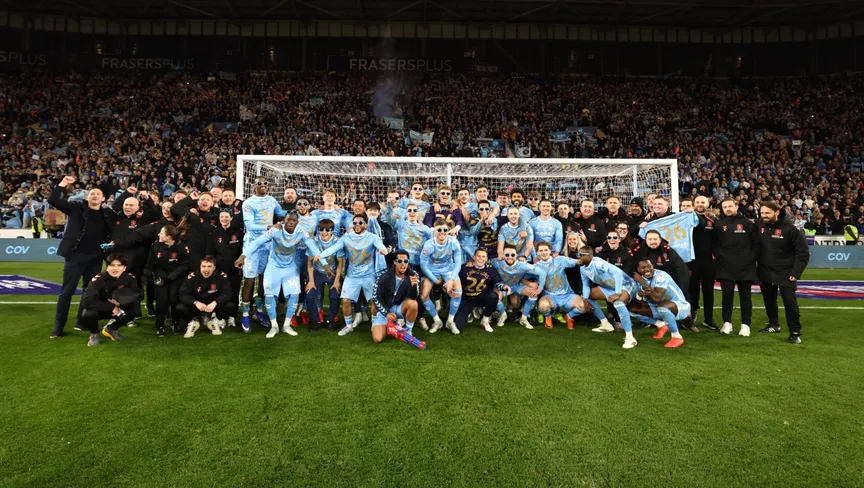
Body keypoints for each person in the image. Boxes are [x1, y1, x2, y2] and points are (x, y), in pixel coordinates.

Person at [48, 175, 111, 339]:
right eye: (92, 193)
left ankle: (81, 322)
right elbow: (53, 200)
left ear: (103, 199)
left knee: (88, 292)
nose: (95, 195)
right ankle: (58, 327)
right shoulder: (76, 208)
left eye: (98, 194)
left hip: (96, 258)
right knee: (66, 292)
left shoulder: (106, 214)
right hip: (75, 256)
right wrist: (63, 184)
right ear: (87, 197)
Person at [240, 213, 321, 338]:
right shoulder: (275, 230)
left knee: (294, 294)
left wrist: (324, 262)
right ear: (284, 220)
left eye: (294, 220)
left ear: (297, 222)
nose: (291, 222)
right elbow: (256, 242)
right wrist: (244, 255)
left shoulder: (301, 232)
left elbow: (313, 247)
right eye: (289, 220)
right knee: (269, 295)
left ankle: (286, 325)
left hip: (290, 267)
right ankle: (274, 326)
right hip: (273, 267)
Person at [316, 213, 389, 336]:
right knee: (345, 300)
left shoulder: (372, 237)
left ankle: (374, 324)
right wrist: (321, 255)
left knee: (374, 301)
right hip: (352, 276)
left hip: (369, 276)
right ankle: (349, 325)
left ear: (365, 225)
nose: (357, 225)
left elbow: (381, 246)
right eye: (355, 223)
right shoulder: (346, 237)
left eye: (360, 223)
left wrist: (384, 250)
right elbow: (334, 248)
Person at [756, 201, 810, 344]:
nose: (764, 216)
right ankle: (774, 325)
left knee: (790, 302)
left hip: (786, 272)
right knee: (769, 300)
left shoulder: (791, 229)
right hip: (765, 271)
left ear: (777, 212)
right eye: (762, 213)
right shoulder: (759, 225)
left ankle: (795, 332)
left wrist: (796, 272)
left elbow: (803, 252)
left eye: (767, 213)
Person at [240, 176, 287, 331]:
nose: (263, 185)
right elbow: (250, 226)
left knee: (264, 279)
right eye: (259, 183)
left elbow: (282, 213)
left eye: (265, 183)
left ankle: (258, 311)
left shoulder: (272, 200)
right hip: (253, 244)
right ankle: (245, 314)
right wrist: (270, 227)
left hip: (268, 244)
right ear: (253, 186)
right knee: (249, 279)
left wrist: (297, 211)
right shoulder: (248, 203)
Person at [712, 197, 760, 336]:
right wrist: (720, 258)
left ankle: (745, 325)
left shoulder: (748, 223)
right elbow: (714, 244)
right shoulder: (719, 224)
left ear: (736, 206)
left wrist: (749, 259)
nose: (727, 209)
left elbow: (756, 244)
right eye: (725, 207)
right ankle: (727, 323)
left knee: (745, 297)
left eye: (730, 206)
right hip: (725, 266)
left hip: (745, 267)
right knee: (727, 296)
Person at [576, 247, 639, 348]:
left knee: (618, 303)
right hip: (609, 287)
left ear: (590, 256)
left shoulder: (597, 262)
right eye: (578, 255)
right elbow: (586, 285)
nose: (579, 257)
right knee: (588, 296)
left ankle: (630, 338)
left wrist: (617, 293)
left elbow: (617, 272)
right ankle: (605, 324)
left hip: (626, 285)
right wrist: (585, 299)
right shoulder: (582, 269)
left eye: (581, 255)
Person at [79, 255, 143, 346]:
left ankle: (112, 328)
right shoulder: (98, 279)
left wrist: (121, 303)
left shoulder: (129, 278)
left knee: (135, 310)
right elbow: (86, 301)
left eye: (119, 265)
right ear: (107, 267)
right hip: (101, 309)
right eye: (112, 265)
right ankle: (94, 334)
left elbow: (139, 294)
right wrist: (112, 307)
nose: (115, 268)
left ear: (124, 268)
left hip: (119, 308)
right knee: (88, 314)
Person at [419, 218, 463, 334]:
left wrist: (451, 279)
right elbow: (423, 266)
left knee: (458, 292)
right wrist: (435, 280)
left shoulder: (453, 242)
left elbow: (458, 262)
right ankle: (437, 320)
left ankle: (450, 321)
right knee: (424, 295)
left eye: (445, 230)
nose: (442, 232)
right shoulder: (428, 245)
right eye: (439, 230)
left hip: (448, 269)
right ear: (434, 231)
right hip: (432, 270)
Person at [630, 259, 687, 348]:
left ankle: (677, 337)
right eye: (643, 268)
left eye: (649, 266)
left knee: (662, 307)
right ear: (638, 270)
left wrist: (643, 283)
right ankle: (661, 325)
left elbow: (657, 298)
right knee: (631, 310)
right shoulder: (639, 281)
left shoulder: (661, 276)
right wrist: (639, 295)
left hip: (680, 306)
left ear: (653, 266)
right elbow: (640, 304)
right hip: (658, 307)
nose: (647, 269)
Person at [145, 225, 190, 336]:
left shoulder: (182, 247)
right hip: (161, 278)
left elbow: (185, 264)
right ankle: (159, 325)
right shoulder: (155, 246)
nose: (159, 235)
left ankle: (175, 323)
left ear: (168, 237)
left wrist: (174, 275)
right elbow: (151, 264)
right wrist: (156, 277)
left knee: (174, 300)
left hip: (176, 278)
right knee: (161, 302)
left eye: (161, 233)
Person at [535, 241, 591, 329]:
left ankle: (569, 316)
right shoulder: (535, 267)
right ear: (537, 253)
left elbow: (578, 262)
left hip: (567, 295)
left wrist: (587, 257)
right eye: (541, 250)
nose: (543, 252)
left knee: (584, 306)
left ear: (550, 251)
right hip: (550, 297)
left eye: (546, 250)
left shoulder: (560, 260)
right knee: (542, 306)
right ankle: (548, 317)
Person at [177, 256, 234, 338]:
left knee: (230, 305)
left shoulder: (221, 276)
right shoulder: (192, 276)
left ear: (214, 268)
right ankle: (193, 323)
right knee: (180, 308)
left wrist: (215, 302)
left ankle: (214, 321)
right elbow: (182, 294)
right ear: (200, 267)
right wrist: (195, 302)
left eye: (209, 266)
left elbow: (228, 293)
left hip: (213, 305)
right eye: (203, 266)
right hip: (197, 305)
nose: (206, 269)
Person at [370, 249, 421, 342]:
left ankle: (408, 331)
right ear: (394, 262)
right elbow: (377, 297)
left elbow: (414, 297)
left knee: (413, 304)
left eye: (406, 261)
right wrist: (387, 313)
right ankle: (393, 326)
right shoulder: (383, 275)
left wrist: (413, 287)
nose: (403, 264)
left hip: (399, 307)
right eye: (400, 261)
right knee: (377, 339)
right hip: (385, 308)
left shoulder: (414, 275)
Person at [493, 244, 547, 329]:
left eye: (512, 255)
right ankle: (503, 315)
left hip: (517, 285)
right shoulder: (496, 263)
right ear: (503, 255)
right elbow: (483, 263)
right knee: (494, 296)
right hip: (504, 287)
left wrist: (540, 289)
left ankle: (524, 319)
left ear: (516, 255)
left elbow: (542, 273)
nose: (510, 257)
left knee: (533, 294)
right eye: (507, 255)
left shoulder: (522, 265)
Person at [304, 218, 344, 331]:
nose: (324, 232)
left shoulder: (337, 242)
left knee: (335, 294)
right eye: (321, 229)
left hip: (333, 272)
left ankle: (330, 320)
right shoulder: (313, 241)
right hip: (317, 271)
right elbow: (309, 262)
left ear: (332, 231)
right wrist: (311, 281)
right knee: (309, 294)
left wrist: (337, 281)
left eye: (327, 229)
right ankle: (315, 320)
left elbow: (340, 263)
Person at [206, 210, 244, 328]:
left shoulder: (239, 232)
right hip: (220, 270)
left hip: (235, 269)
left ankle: (232, 317)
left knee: (234, 292)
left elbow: (243, 250)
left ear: (231, 218)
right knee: (220, 293)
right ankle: (220, 317)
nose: (224, 219)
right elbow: (210, 253)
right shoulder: (214, 234)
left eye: (226, 217)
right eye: (222, 217)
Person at [455, 249, 504, 332]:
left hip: (482, 296)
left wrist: (503, 287)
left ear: (487, 258)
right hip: (467, 298)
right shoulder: (464, 267)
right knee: (458, 326)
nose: (481, 258)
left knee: (493, 296)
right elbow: (455, 281)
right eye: (479, 256)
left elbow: (497, 282)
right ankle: (470, 312)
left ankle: (485, 320)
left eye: (483, 256)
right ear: (474, 257)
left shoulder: (490, 268)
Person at [688, 196, 718, 330]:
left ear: (708, 203)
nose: (700, 204)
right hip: (692, 261)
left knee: (708, 291)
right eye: (697, 202)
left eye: (702, 202)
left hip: (708, 261)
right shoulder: (686, 217)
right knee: (692, 290)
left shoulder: (714, 220)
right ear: (693, 204)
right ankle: (691, 315)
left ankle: (708, 319)